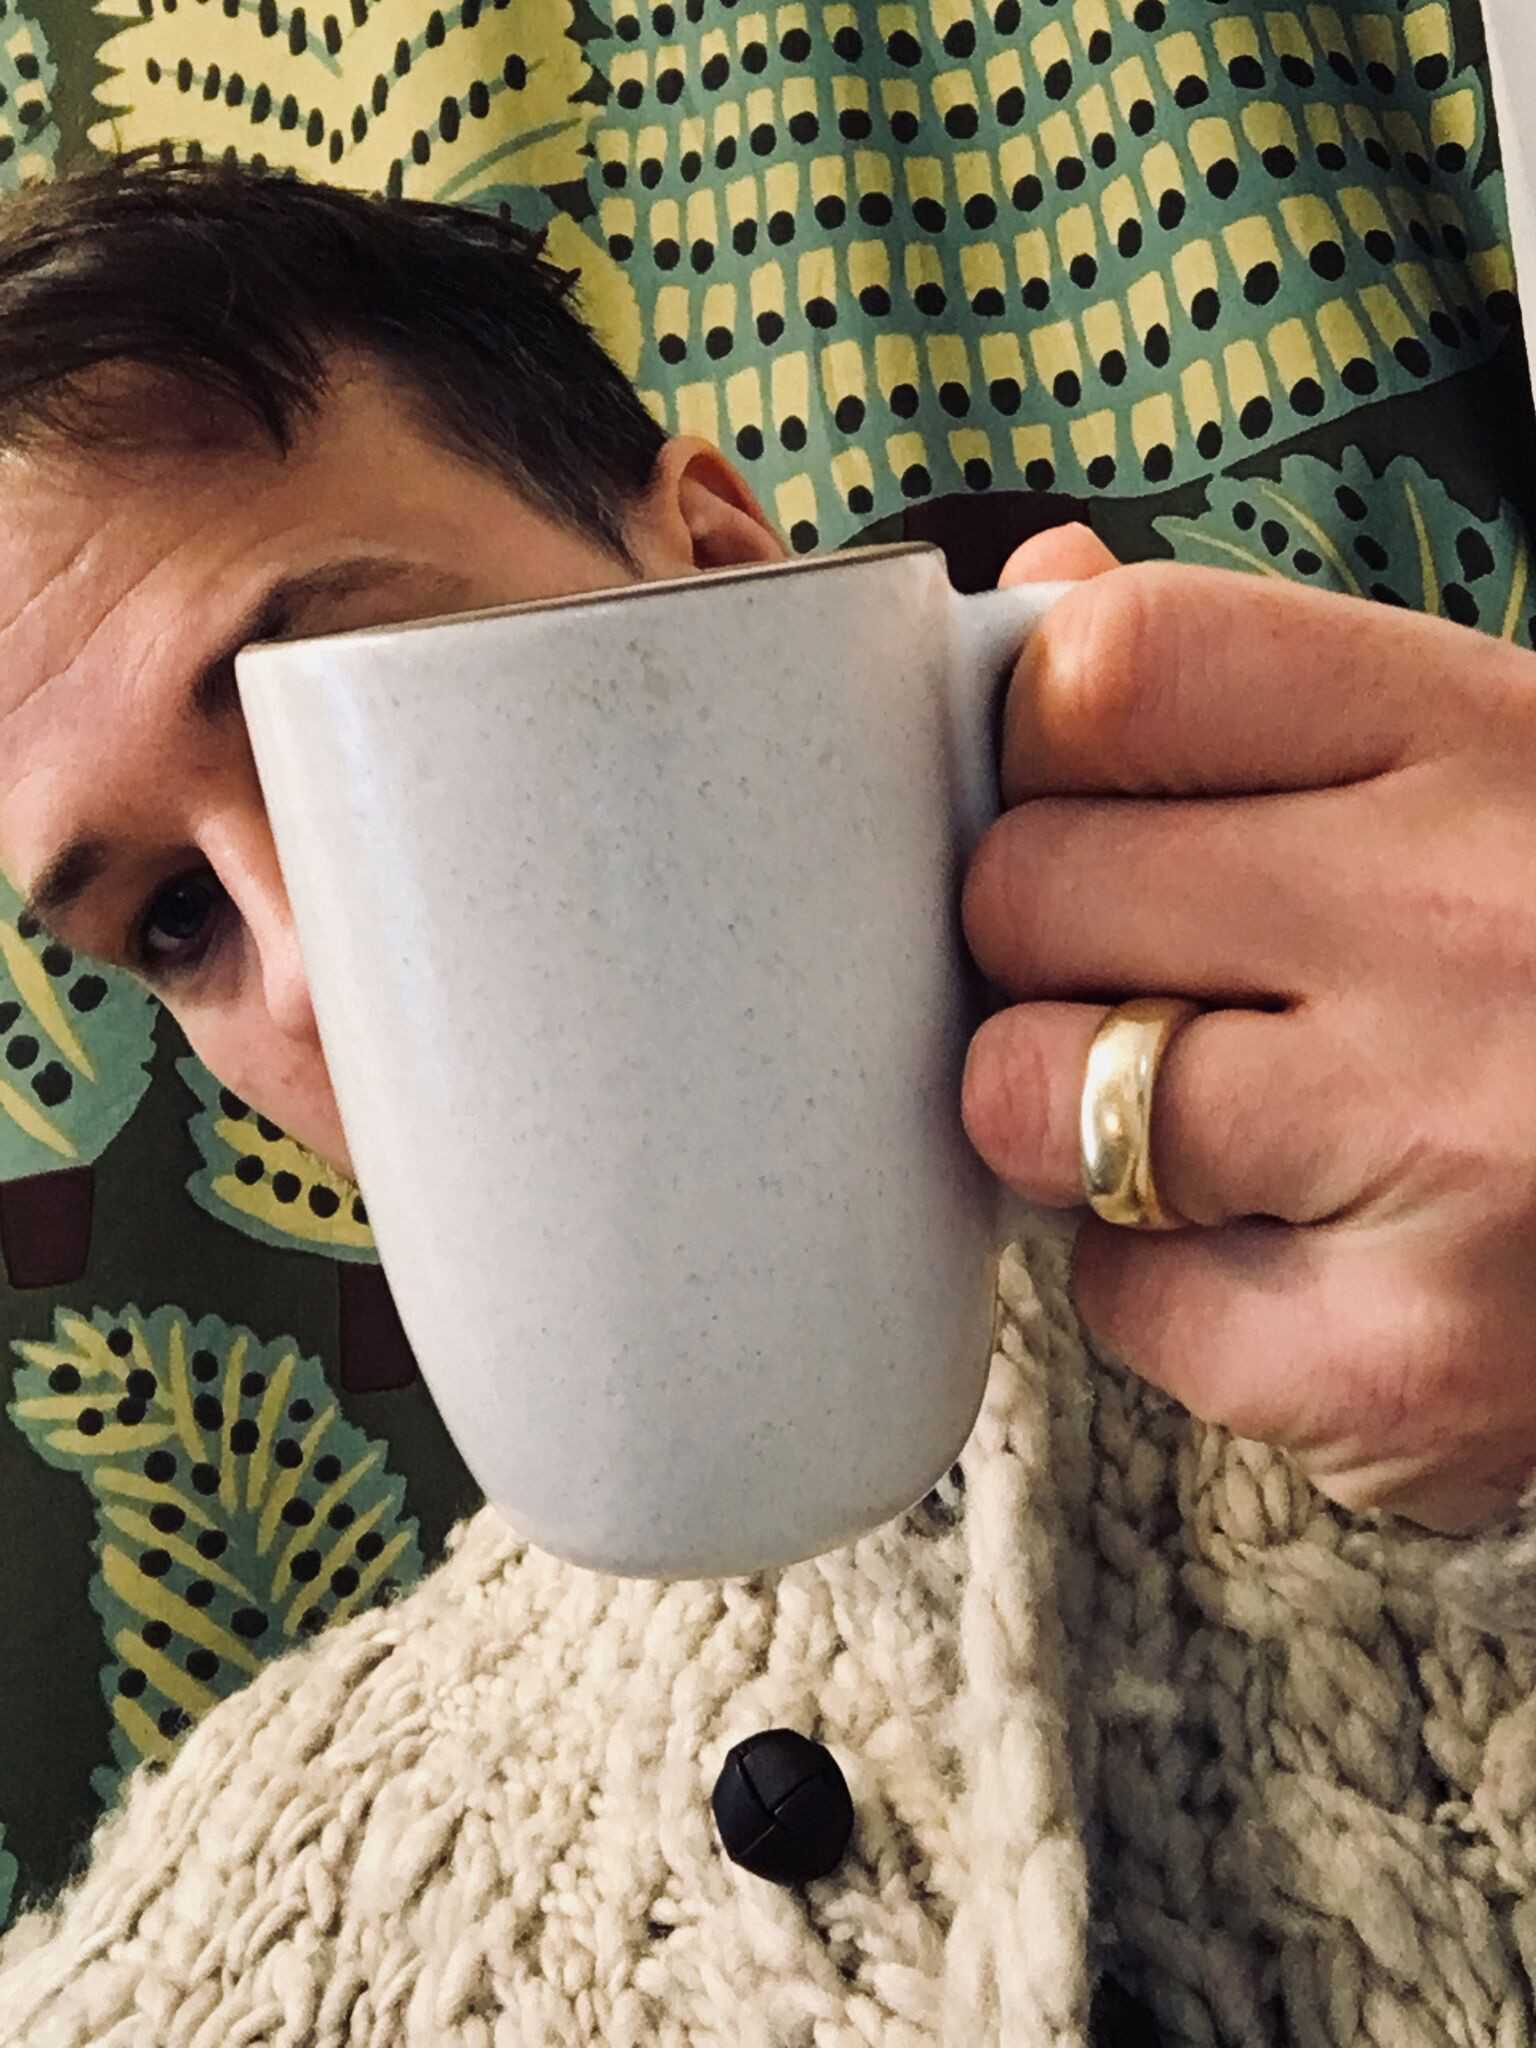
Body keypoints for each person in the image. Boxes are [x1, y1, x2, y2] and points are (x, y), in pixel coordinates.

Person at [2, 156, 1535, 1538]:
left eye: (363, 748)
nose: (314, 988)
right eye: (180, 918)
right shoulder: (279, 1844)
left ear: (726, 573)